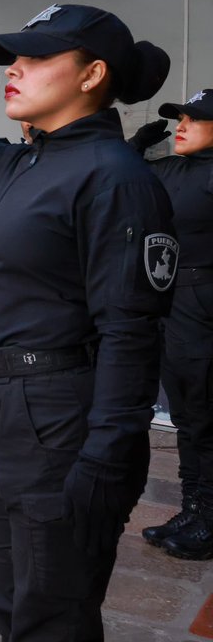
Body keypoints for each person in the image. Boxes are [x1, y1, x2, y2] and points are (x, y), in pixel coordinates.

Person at [0, 4, 174, 641]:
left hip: (57, 410)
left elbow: (131, 329)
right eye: (14, 58)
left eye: (36, 59)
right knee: (5, 586)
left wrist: (107, 454)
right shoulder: (17, 162)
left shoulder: (115, 178)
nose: (14, 70)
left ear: (92, 75)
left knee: (52, 607)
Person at [129, 90, 213, 561]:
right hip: (173, 297)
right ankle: (194, 509)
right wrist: (136, 145)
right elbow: (118, 179)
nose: (182, 125)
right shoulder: (172, 168)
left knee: (206, 415)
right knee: (187, 414)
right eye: (180, 117)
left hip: (204, 302)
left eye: (195, 119)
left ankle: (210, 517)